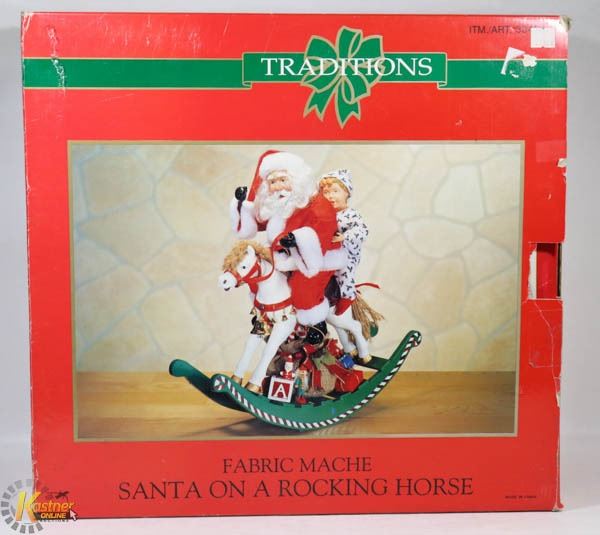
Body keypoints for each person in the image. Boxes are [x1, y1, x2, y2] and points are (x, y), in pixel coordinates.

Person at [229, 150, 346, 326]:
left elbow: (320, 238)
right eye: (272, 182)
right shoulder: (276, 202)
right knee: (255, 275)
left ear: (296, 179)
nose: (277, 187)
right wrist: (241, 204)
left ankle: (315, 327)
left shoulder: (318, 206)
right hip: (282, 254)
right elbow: (258, 221)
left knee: (302, 293)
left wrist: (297, 239)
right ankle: (267, 315)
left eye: (283, 180)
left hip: (316, 259)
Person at [319, 169, 369, 315]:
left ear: (346, 192)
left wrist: (345, 236)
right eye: (326, 192)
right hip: (329, 253)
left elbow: (363, 230)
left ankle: (348, 295)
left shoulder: (351, 214)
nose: (330, 196)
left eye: (335, 191)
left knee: (344, 272)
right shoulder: (324, 214)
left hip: (348, 254)